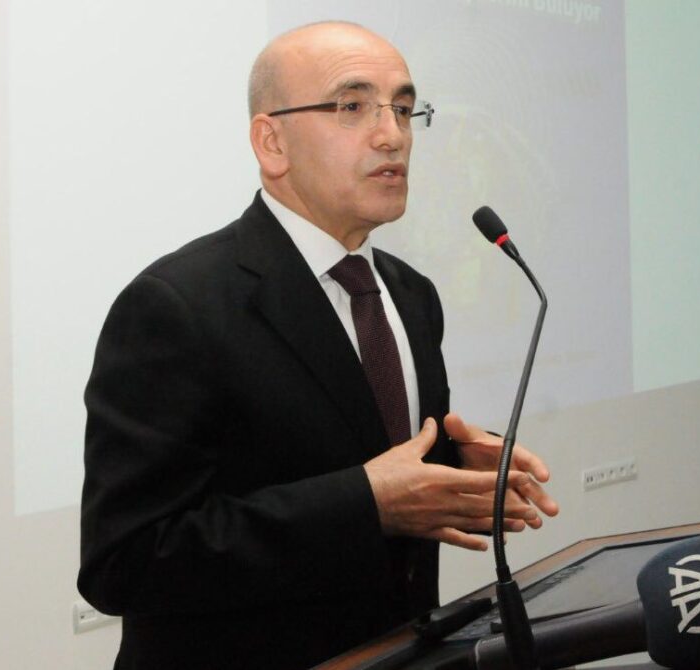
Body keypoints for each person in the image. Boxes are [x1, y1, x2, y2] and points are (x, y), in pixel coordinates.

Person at [78, 21, 558, 669]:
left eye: (403, 108)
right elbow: (126, 562)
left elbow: (341, 450)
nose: (392, 134)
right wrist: (368, 504)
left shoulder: (409, 294)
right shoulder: (176, 306)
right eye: (352, 107)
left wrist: (450, 469)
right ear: (271, 142)